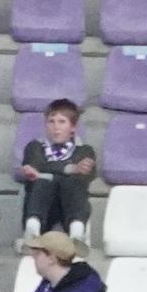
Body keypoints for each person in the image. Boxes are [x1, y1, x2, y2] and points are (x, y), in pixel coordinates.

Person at [16, 102, 96, 239]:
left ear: (73, 127)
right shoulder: (35, 147)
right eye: (51, 121)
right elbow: (36, 166)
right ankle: (33, 227)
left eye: (62, 122)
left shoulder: (84, 150)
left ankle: (76, 230)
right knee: (43, 181)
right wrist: (70, 168)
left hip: (69, 206)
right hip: (44, 207)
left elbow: (88, 175)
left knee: (74, 182)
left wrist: (64, 172)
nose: (56, 127)